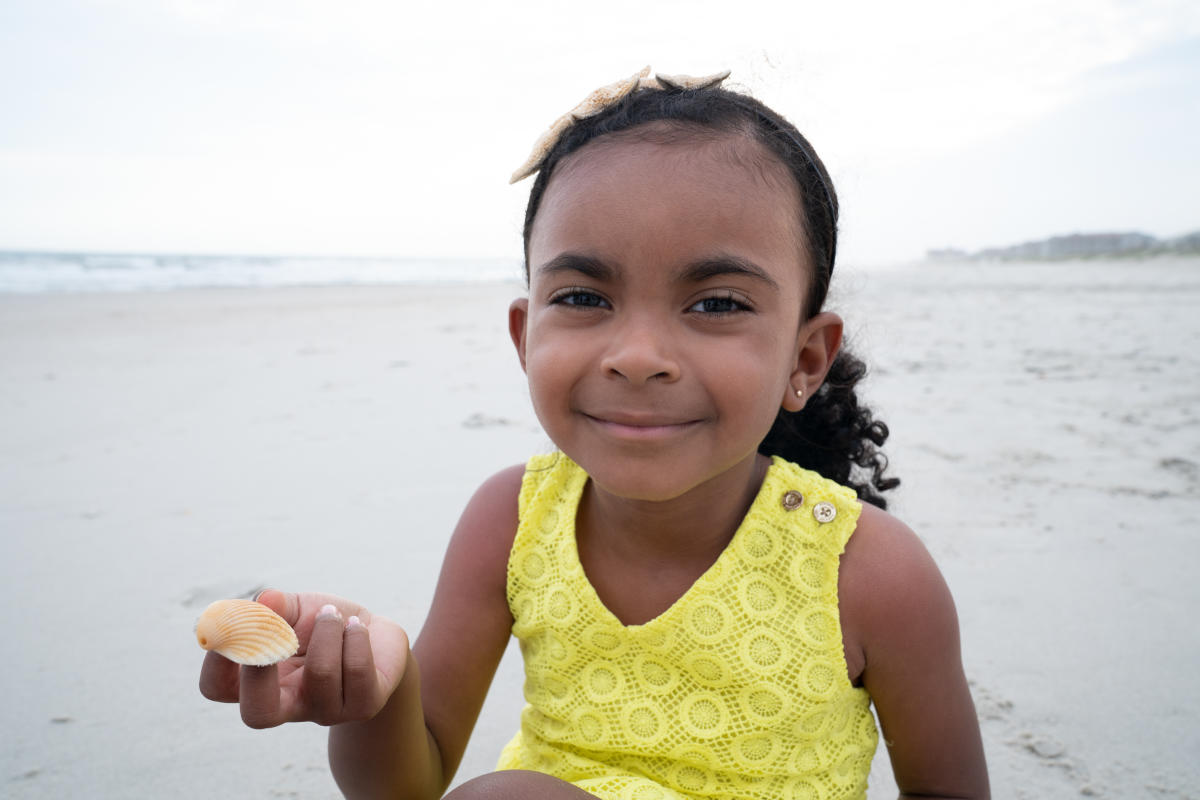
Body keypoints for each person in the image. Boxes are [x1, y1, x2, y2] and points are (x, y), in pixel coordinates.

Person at [199, 67, 989, 800]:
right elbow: (410, 782)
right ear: (524, 335)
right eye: (583, 297)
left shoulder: (870, 572)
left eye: (716, 303)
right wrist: (378, 689)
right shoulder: (510, 520)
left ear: (805, 358)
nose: (638, 357)